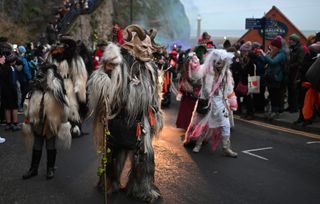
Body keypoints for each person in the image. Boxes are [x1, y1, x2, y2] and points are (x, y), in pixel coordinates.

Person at [88, 25, 163, 202]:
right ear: (131, 47)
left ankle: (141, 188)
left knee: (143, 156)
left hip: (140, 122)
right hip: (120, 118)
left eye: (150, 47)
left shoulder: (149, 68)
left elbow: (154, 95)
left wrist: (154, 113)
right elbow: (102, 83)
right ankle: (108, 182)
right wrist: (105, 74)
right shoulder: (120, 65)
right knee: (114, 153)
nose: (149, 51)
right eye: (144, 47)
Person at [183, 49, 238, 157]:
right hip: (207, 102)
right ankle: (198, 144)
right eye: (218, 62)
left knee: (226, 125)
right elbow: (196, 75)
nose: (220, 65)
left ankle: (226, 148)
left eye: (222, 63)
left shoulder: (226, 73)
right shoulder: (207, 69)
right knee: (204, 125)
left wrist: (232, 102)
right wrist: (194, 62)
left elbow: (229, 89)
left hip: (221, 103)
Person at [21, 63, 71, 180]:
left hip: (51, 123)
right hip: (37, 121)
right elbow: (27, 103)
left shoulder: (57, 92)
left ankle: (50, 168)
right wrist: (27, 117)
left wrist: (63, 122)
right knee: (37, 144)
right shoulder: (34, 90)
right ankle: (33, 169)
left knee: (50, 145)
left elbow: (64, 108)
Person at [258, 37, 286, 120]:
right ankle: (273, 111)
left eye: (273, 46)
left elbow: (273, 62)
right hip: (270, 77)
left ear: (277, 47)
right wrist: (259, 56)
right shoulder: (272, 53)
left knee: (275, 95)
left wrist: (264, 54)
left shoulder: (281, 54)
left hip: (276, 78)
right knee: (272, 94)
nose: (271, 47)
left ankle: (275, 112)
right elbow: (266, 61)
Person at [286, 34, 305, 113]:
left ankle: (294, 108)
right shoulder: (291, 49)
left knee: (294, 91)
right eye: (289, 39)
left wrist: (290, 66)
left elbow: (300, 62)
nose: (289, 41)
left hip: (296, 74)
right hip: (290, 73)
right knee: (289, 90)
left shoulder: (300, 49)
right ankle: (290, 106)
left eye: (290, 40)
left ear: (295, 41)